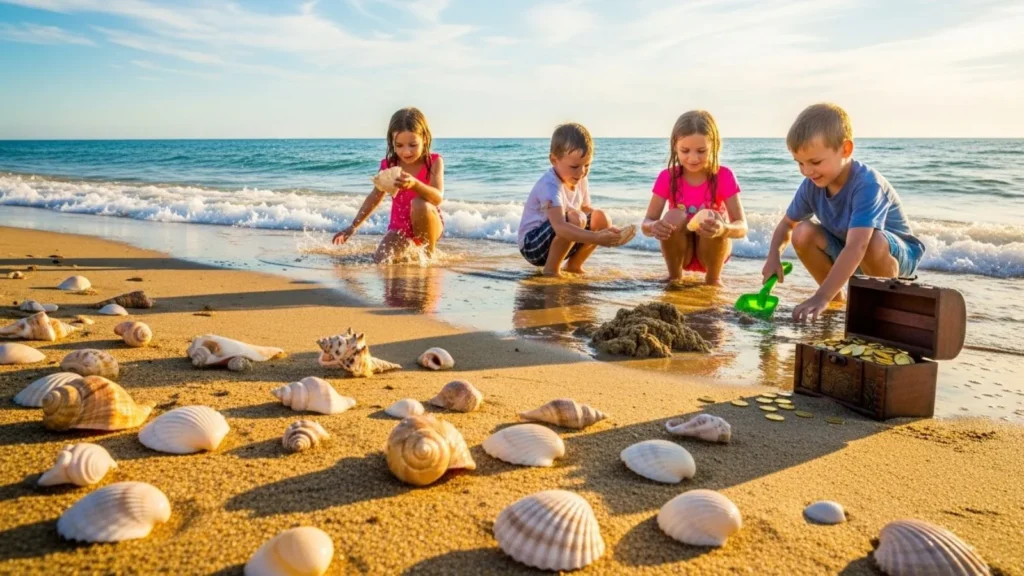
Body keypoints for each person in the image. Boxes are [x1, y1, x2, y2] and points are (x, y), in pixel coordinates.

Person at [763, 103, 925, 322]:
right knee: (802, 231)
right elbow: (787, 225)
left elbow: (858, 245)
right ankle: (835, 300)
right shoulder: (812, 184)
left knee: (872, 241)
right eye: (799, 163)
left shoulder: (867, 184)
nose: (807, 171)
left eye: (815, 162)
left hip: (894, 253)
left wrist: (820, 296)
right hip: (849, 249)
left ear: (845, 149)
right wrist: (773, 256)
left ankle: (884, 304)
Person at [640, 110, 748, 285]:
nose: (693, 158)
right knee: (674, 216)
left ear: (714, 146)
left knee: (711, 216)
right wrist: (654, 226)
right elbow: (646, 223)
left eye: (701, 151)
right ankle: (674, 277)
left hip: (712, 253)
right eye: (685, 151)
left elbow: (742, 226)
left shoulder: (724, 176)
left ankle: (713, 280)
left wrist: (723, 229)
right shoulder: (667, 177)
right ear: (675, 146)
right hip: (681, 253)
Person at [517, 123, 629, 277]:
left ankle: (573, 266)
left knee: (600, 217)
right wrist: (597, 238)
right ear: (554, 160)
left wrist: (609, 230)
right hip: (532, 246)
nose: (582, 172)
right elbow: (560, 227)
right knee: (576, 218)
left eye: (587, 165)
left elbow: (586, 208)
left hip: (560, 238)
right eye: (575, 166)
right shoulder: (549, 185)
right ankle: (552, 269)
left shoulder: (580, 178)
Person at [333, 107, 444, 261]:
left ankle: (429, 255)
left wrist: (415, 184)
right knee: (381, 260)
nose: (406, 152)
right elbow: (375, 196)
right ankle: (409, 250)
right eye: (399, 145)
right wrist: (353, 227)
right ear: (392, 142)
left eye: (413, 145)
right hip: (400, 228)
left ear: (424, 138)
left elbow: (437, 198)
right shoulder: (389, 165)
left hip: (428, 223)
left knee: (420, 204)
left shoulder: (433, 162)